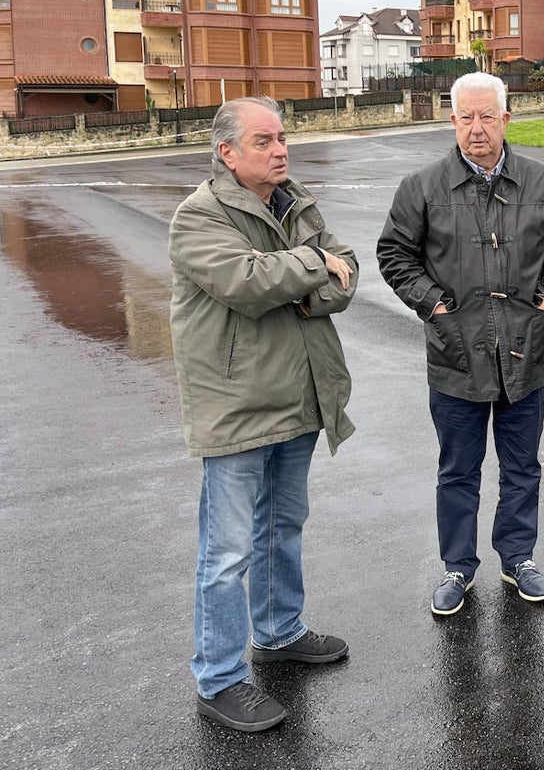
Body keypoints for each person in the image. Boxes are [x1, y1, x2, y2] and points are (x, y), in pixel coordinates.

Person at [168, 96, 357, 731]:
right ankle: (219, 678)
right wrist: (311, 265)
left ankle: (278, 631)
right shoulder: (199, 217)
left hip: (298, 398)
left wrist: (306, 285)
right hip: (238, 408)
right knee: (225, 553)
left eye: (282, 138)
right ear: (226, 152)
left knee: (282, 526)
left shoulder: (294, 201)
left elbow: (347, 271)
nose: (280, 150)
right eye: (263, 141)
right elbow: (247, 284)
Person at [377, 72, 544, 617]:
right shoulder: (422, 187)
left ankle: (518, 557)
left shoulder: (541, 181)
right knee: (458, 469)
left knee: (522, 465)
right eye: (466, 117)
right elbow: (394, 254)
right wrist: (435, 305)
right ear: (452, 120)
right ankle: (458, 567)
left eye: (487, 116)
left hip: (524, 351)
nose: (476, 129)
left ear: (507, 119)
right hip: (455, 353)